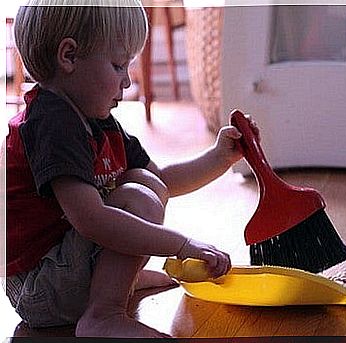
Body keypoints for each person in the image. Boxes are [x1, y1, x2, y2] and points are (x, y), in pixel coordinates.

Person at [4, 0, 257, 338]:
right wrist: (181, 245)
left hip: (64, 267)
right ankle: (102, 314)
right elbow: (90, 219)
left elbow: (161, 179)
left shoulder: (97, 121)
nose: (127, 81)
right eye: (118, 65)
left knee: (143, 182)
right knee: (138, 197)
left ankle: (113, 285)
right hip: (41, 287)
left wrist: (219, 158)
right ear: (70, 57)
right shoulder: (53, 122)